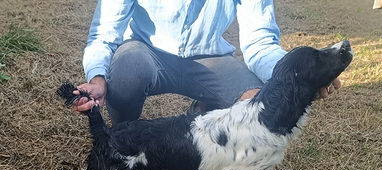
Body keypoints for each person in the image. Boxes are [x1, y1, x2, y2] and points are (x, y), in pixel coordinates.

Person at [73, 0, 341, 125]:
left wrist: (299, 77)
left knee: (256, 101)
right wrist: (98, 78)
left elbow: (260, 42)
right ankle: (121, 139)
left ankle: (206, 109)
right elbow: (104, 33)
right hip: (145, 51)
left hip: (210, 58)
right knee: (125, 69)